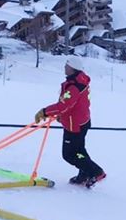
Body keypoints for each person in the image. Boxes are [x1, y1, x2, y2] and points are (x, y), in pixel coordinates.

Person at [35, 56, 105, 188]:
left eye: (67, 66)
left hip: (75, 126)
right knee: (79, 150)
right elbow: (73, 105)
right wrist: (63, 115)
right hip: (80, 121)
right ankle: (85, 173)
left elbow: (63, 105)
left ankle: (96, 172)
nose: (64, 68)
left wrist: (45, 111)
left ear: (73, 68)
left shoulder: (74, 86)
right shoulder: (79, 80)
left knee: (69, 154)